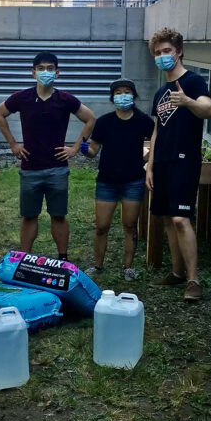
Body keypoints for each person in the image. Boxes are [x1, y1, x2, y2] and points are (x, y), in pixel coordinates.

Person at [0, 51, 95, 258]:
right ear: (33, 73)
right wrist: (13, 144)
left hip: (57, 168)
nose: (45, 72)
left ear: (57, 73)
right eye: (41, 69)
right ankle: (25, 258)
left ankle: (62, 257)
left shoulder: (65, 99)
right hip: (30, 168)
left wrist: (75, 148)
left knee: (58, 215)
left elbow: (90, 119)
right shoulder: (22, 98)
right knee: (29, 216)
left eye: (49, 69)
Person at [145, 28, 211, 301]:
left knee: (180, 219)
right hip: (161, 161)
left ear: (179, 51)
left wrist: (187, 102)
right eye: (158, 53)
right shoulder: (161, 91)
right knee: (166, 219)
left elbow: (208, 110)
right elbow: (157, 130)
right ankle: (176, 273)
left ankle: (193, 280)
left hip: (184, 159)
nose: (162, 56)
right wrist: (149, 165)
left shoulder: (193, 82)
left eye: (167, 51)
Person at [81, 79, 154, 280]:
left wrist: (146, 159)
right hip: (106, 181)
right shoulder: (104, 122)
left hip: (133, 181)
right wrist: (87, 150)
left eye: (127, 92)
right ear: (113, 98)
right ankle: (97, 265)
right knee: (101, 226)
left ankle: (128, 267)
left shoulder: (143, 121)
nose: (123, 95)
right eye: (118, 92)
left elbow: (157, 140)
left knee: (130, 226)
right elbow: (95, 148)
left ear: (134, 96)